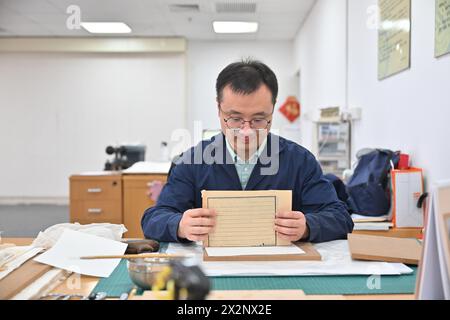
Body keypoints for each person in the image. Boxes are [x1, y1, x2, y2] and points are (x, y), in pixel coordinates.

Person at [141, 59, 353, 243]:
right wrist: (179, 225)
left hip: (282, 272)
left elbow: (340, 218)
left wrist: (308, 226)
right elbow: (153, 219)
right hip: (213, 273)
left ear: (272, 109)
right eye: (234, 119)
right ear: (218, 109)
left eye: (259, 119)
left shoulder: (299, 161)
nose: (246, 131)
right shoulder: (191, 162)